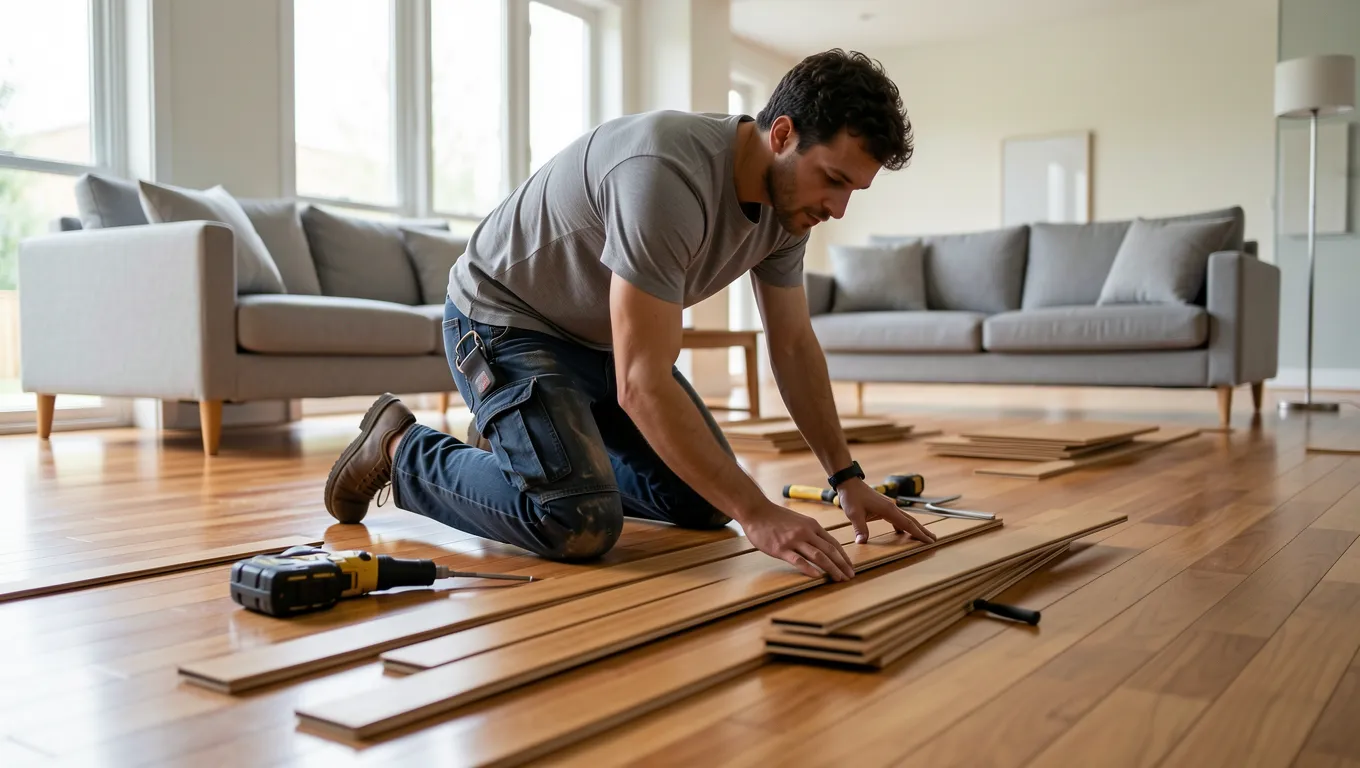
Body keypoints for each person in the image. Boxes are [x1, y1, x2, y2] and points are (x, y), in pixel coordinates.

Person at [323, 48, 934, 582]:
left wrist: (846, 477)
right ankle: (401, 447)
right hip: (502, 323)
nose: (839, 207)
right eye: (833, 180)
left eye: (853, 189)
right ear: (781, 134)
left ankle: (526, 446)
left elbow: (795, 346)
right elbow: (642, 384)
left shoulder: (789, 207)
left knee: (702, 501)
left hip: (597, 343)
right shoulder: (667, 174)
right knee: (577, 523)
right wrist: (760, 514)